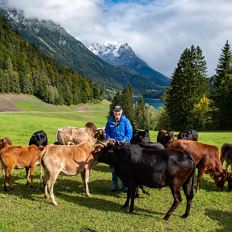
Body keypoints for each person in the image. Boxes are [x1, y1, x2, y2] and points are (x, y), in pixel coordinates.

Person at [105, 105, 133, 192]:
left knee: (124, 168)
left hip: (124, 147)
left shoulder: (126, 121)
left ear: (121, 113)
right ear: (113, 112)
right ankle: (114, 186)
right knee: (114, 168)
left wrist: (125, 140)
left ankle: (125, 186)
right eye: (116, 113)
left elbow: (129, 133)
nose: (117, 116)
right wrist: (109, 139)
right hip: (114, 147)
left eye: (119, 114)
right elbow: (107, 132)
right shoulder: (110, 122)